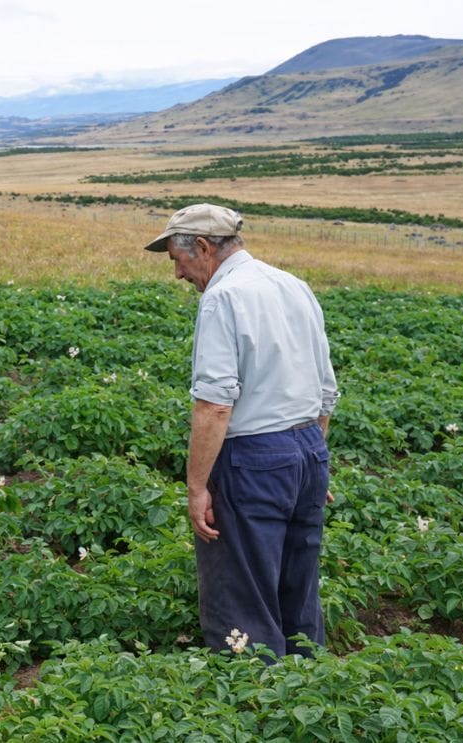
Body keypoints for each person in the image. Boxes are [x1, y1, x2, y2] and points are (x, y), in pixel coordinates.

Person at [144, 203, 339, 657]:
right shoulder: (293, 285)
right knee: (299, 589)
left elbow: (214, 406)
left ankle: (252, 702)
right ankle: (309, 694)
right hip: (308, 448)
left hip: (253, 458)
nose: (178, 273)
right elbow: (327, 390)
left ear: (205, 248)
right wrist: (310, 458)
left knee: (243, 594)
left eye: (178, 258)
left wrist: (196, 488)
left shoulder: (223, 297)